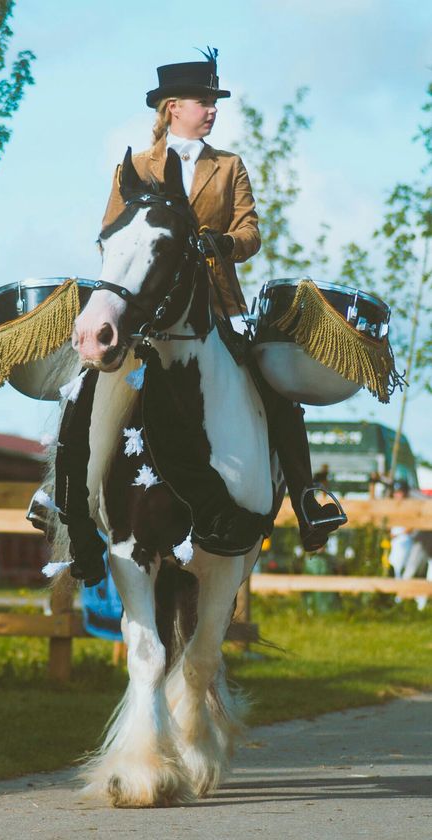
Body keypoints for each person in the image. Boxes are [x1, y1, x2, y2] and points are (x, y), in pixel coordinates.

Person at [100, 49, 344, 553]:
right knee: (90, 380)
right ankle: (59, 493)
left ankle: (306, 499)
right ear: (172, 107)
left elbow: (250, 233)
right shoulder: (136, 166)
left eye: (214, 101)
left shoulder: (229, 165)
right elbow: (111, 228)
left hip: (217, 304)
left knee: (275, 385)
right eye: (202, 100)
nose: (211, 109)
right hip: (151, 307)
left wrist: (223, 244)